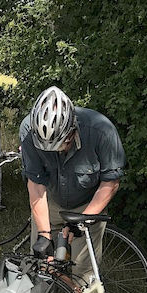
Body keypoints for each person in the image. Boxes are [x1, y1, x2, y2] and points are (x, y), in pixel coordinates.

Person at [20, 86, 125, 282]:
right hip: (49, 201)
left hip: (88, 204)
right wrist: (44, 234)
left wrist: (81, 221)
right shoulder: (28, 130)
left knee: (82, 275)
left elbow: (110, 183)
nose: (57, 152)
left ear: (72, 129)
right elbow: (35, 184)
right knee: (43, 268)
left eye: (62, 144)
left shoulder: (101, 130)